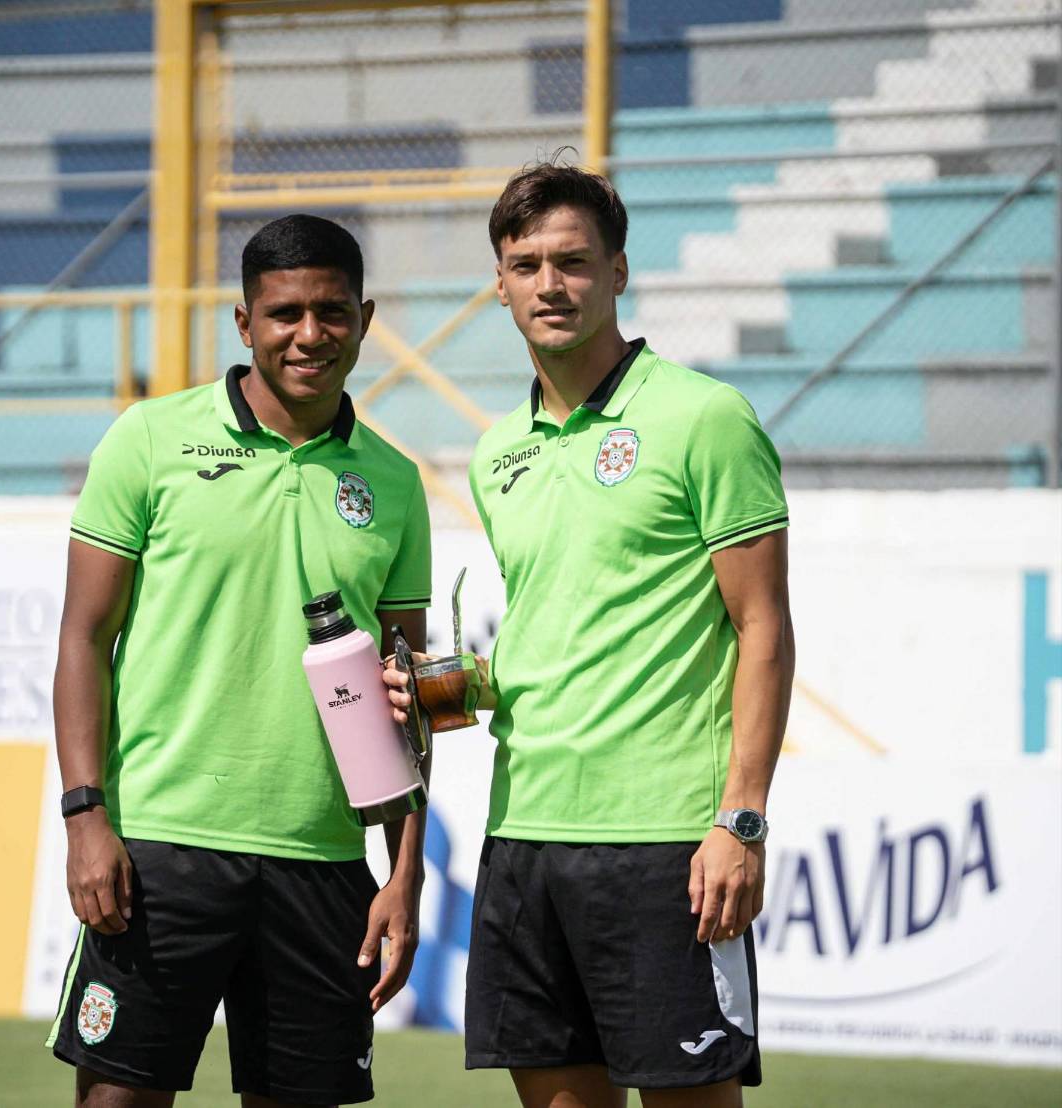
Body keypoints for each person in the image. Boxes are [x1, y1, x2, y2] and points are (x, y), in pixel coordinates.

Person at [386, 161, 795, 1108]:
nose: (550, 284)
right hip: (522, 836)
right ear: (499, 285)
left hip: (666, 843)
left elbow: (763, 628)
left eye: (572, 261)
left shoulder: (705, 418)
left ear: (617, 271)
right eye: (525, 264)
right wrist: (469, 682)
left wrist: (741, 820)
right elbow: (559, 620)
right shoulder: (497, 452)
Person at [47, 214, 432, 1108]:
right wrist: (85, 819)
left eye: (332, 312)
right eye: (285, 313)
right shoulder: (151, 439)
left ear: (366, 320)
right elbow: (82, 638)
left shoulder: (395, 480)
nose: (310, 335)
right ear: (245, 322)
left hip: (323, 857)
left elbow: (405, 697)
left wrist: (404, 872)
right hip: (162, 849)